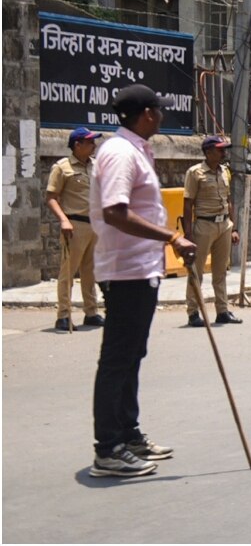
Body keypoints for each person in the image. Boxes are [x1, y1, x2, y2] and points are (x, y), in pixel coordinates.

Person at [89, 84, 198, 477]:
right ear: (147, 114)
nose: (163, 116)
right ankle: (108, 448)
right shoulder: (119, 153)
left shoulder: (135, 149)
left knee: (133, 354)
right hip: (125, 269)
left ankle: (128, 433)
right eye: (159, 110)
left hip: (141, 268)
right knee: (118, 359)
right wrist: (170, 237)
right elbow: (115, 212)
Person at [46, 127, 105, 332]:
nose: (94, 145)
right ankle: (63, 315)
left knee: (90, 272)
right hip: (75, 224)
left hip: (95, 224)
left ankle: (91, 312)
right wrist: (63, 220)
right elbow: (51, 198)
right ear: (77, 145)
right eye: (89, 142)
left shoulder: (96, 166)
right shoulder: (63, 167)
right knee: (68, 272)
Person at [183, 136, 241, 327]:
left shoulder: (225, 171)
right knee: (196, 271)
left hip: (224, 225)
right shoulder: (195, 173)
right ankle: (193, 312)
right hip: (204, 225)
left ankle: (222, 310)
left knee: (220, 272)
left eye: (224, 149)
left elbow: (228, 199)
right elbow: (188, 203)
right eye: (220, 149)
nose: (224, 152)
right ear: (208, 152)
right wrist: (188, 234)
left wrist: (234, 227)